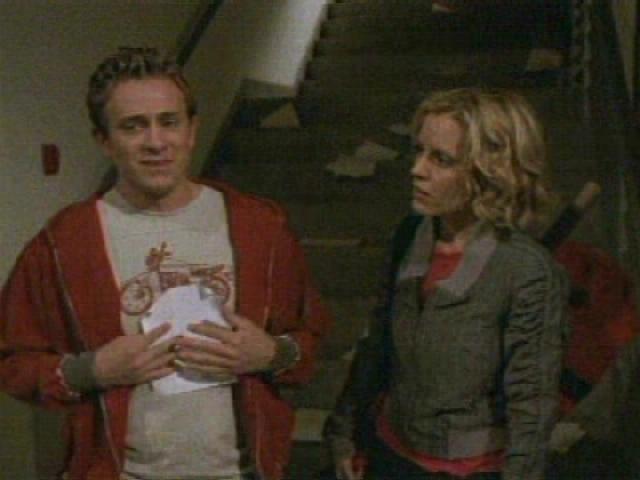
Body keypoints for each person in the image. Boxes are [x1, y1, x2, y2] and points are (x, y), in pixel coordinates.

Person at [0, 47, 331, 480]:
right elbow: (13, 360)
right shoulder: (65, 242)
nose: (156, 143)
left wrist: (272, 353)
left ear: (192, 130)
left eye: (169, 122)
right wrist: (91, 370)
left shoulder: (260, 227)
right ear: (104, 140)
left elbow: (309, 340)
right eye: (133, 126)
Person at [323, 88, 568, 480]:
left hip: (468, 470)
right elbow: (378, 344)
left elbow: (531, 402)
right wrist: (345, 432)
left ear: (489, 172)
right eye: (419, 151)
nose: (417, 170)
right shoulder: (411, 235)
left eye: (441, 159)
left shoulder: (524, 270)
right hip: (391, 453)